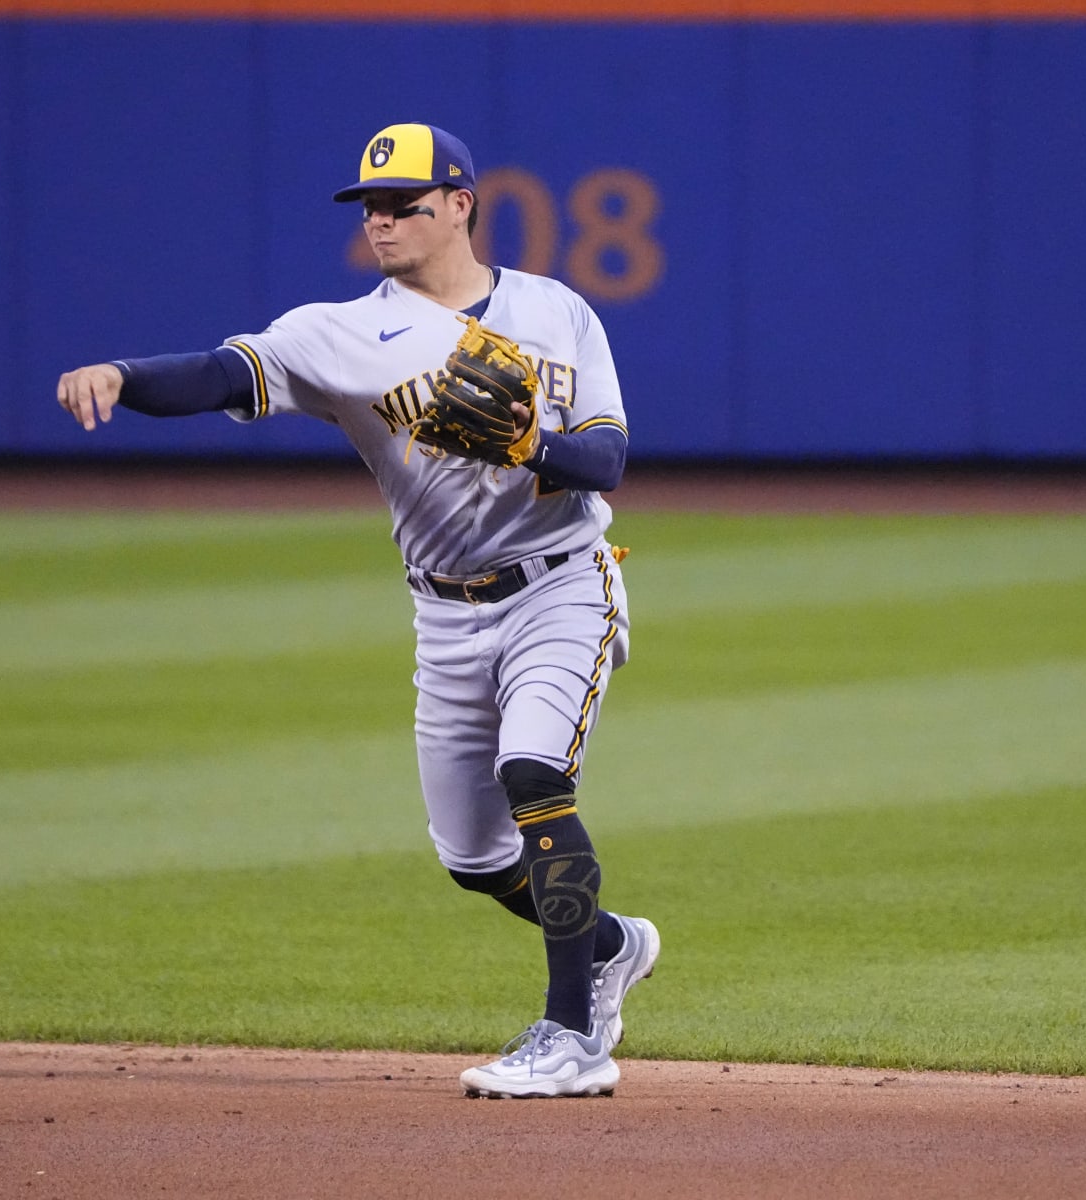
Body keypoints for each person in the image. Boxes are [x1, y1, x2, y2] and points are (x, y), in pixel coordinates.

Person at [55, 122, 659, 1098]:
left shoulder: (557, 314)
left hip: (560, 580)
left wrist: (525, 445)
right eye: (368, 206)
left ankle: (572, 1036)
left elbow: (605, 459)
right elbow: (221, 372)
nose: (378, 220)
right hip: (444, 613)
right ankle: (606, 945)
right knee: (473, 858)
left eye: (401, 205)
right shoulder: (336, 336)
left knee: (535, 771)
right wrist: (124, 378)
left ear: (460, 205)